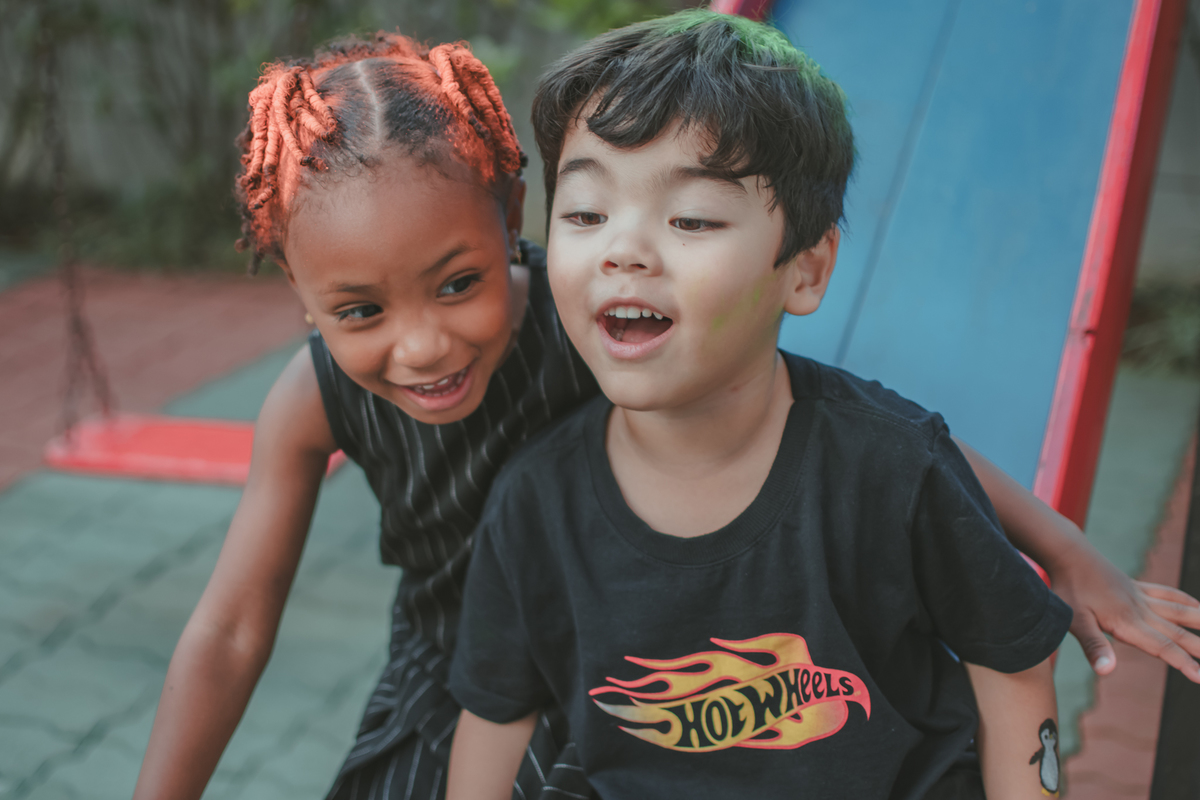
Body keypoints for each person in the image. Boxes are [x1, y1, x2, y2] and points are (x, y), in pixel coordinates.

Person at [132, 25, 1200, 800]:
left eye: (459, 283)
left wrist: (1068, 553)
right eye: (360, 309)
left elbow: (876, 433)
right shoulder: (313, 398)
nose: (424, 344)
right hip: (456, 661)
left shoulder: (597, 318)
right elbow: (231, 625)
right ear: (298, 291)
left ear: (513, 220)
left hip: (619, 634)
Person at [441, 11, 1181, 800]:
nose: (623, 248)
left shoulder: (891, 467)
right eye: (586, 214)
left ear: (806, 268)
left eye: (690, 218)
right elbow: (494, 717)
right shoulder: (534, 505)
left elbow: (1014, 659)